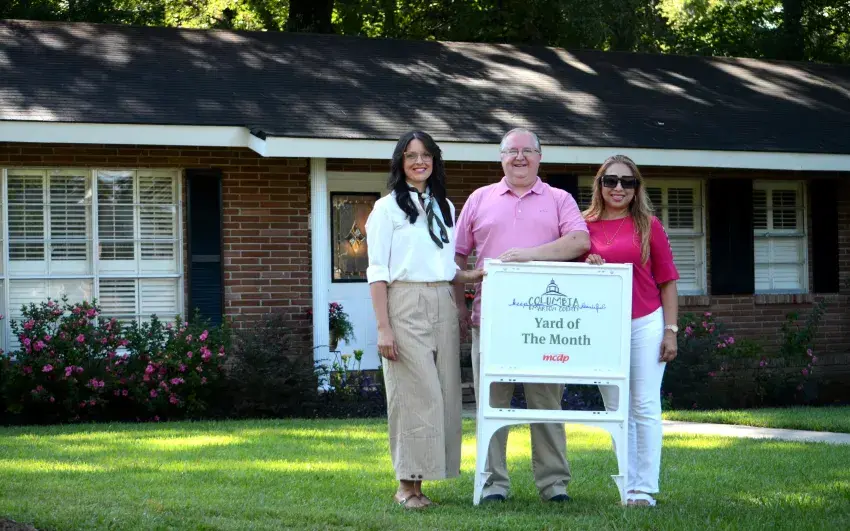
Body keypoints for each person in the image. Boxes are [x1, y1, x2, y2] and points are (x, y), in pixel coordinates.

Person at [453, 128, 590, 503]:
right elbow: (456, 257)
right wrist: (460, 305)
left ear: (540, 157)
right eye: (511, 151)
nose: (519, 157)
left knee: (547, 405)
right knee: (491, 405)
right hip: (491, 321)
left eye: (527, 151)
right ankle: (492, 484)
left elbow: (580, 241)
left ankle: (554, 485)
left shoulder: (559, 199)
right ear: (500, 157)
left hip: (545, 324)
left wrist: (528, 256)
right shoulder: (480, 199)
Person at [365, 130, 484, 510]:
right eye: (411, 155)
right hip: (404, 300)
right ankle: (406, 485)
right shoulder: (386, 209)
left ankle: (422, 482)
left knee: (445, 392)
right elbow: (377, 271)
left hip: (442, 300)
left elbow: (446, 266)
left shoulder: (444, 206)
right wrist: (384, 327)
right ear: (400, 163)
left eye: (426, 155)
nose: (420, 162)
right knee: (416, 392)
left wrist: (473, 276)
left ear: (435, 161)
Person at [582, 154, 679, 507]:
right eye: (610, 181)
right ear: (600, 185)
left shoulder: (649, 226)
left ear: (637, 188)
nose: (618, 188)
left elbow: (667, 281)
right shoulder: (582, 226)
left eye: (627, 181)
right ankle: (628, 484)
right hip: (603, 327)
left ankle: (644, 488)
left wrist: (671, 330)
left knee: (645, 405)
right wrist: (587, 266)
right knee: (616, 409)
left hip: (645, 322)